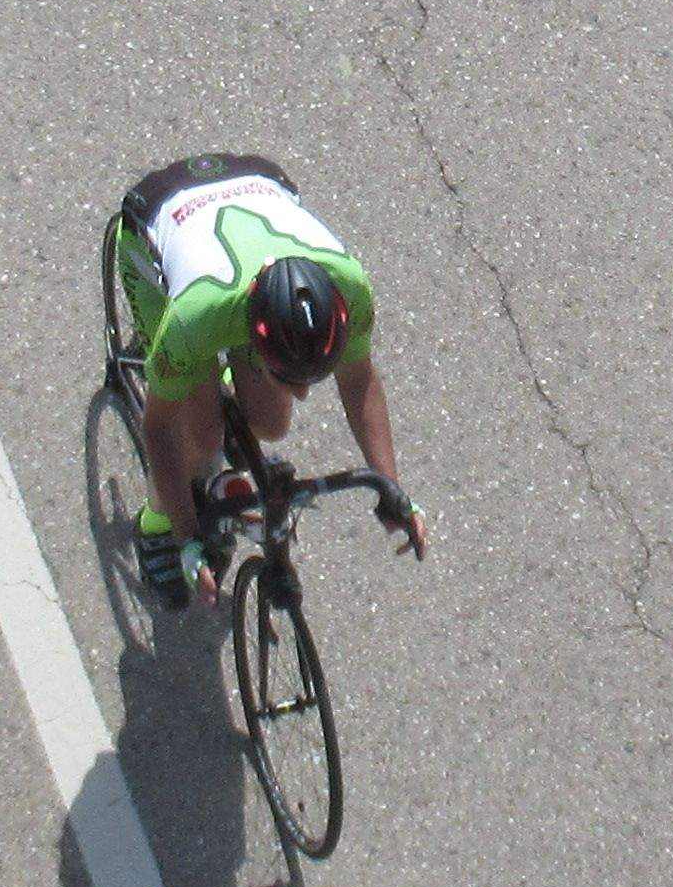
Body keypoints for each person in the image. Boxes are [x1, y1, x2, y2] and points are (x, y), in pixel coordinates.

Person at [110, 155, 433, 610]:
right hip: (157, 229)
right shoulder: (197, 317)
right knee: (200, 440)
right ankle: (153, 524)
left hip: (254, 204)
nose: (303, 394)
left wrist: (394, 489)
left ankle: (219, 392)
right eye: (291, 376)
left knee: (271, 422)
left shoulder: (350, 286)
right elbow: (158, 429)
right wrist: (184, 539)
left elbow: (359, 382)